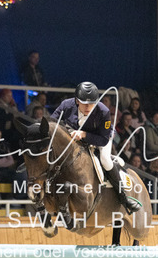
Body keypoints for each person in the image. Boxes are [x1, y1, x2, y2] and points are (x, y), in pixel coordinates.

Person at [51, 81, 141, 213]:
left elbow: (103, 139)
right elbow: (52, 123)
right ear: (77, 101)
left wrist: (84, 135)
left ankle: (123, 197)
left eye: (92, 103)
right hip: (74, 138)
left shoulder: (103, 111)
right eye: (84, 103)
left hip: (100, 137)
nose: (88, 107)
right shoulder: (66, 105)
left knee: (105, 159)